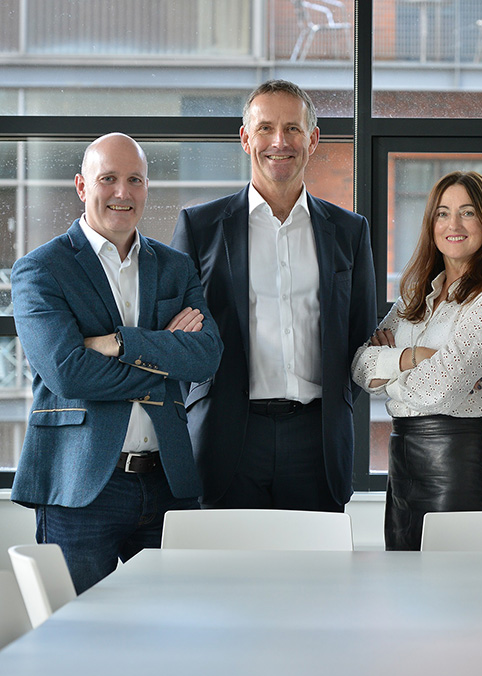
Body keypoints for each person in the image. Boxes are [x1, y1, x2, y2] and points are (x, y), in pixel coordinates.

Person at [11, 133, 223, 593]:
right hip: (81, 485)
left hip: (168, 480)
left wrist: (117, 343)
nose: (122, 192)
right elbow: (68, 372)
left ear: (147, 187)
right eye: (108, 179)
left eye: (135, 180)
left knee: (180, 630)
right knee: (79, 636)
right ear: (82, 186)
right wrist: (165, 352)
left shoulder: (175, 267)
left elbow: (206, 357)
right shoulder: (41, 269)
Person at [171, 80, 376, 512]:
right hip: (228, 437)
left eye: (293, 129)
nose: (279, 142)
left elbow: (359, 335)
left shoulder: (349, 232)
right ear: (245, 139)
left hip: (316, 441)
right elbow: (179, 337)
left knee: (315, 577)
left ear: (313, 139)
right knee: (229, 577)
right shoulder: (200, 227)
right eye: (265, 128)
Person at [352, 171, 482, 550]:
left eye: (467, 212)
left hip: (458, 460)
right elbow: (361, 367)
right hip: (403, 459)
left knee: (455, 591)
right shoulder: (416, 297)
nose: (453, 225)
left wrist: (391, 364)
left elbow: (440, 391)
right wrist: (416, 357)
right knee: (403, 588)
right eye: (443, 214)